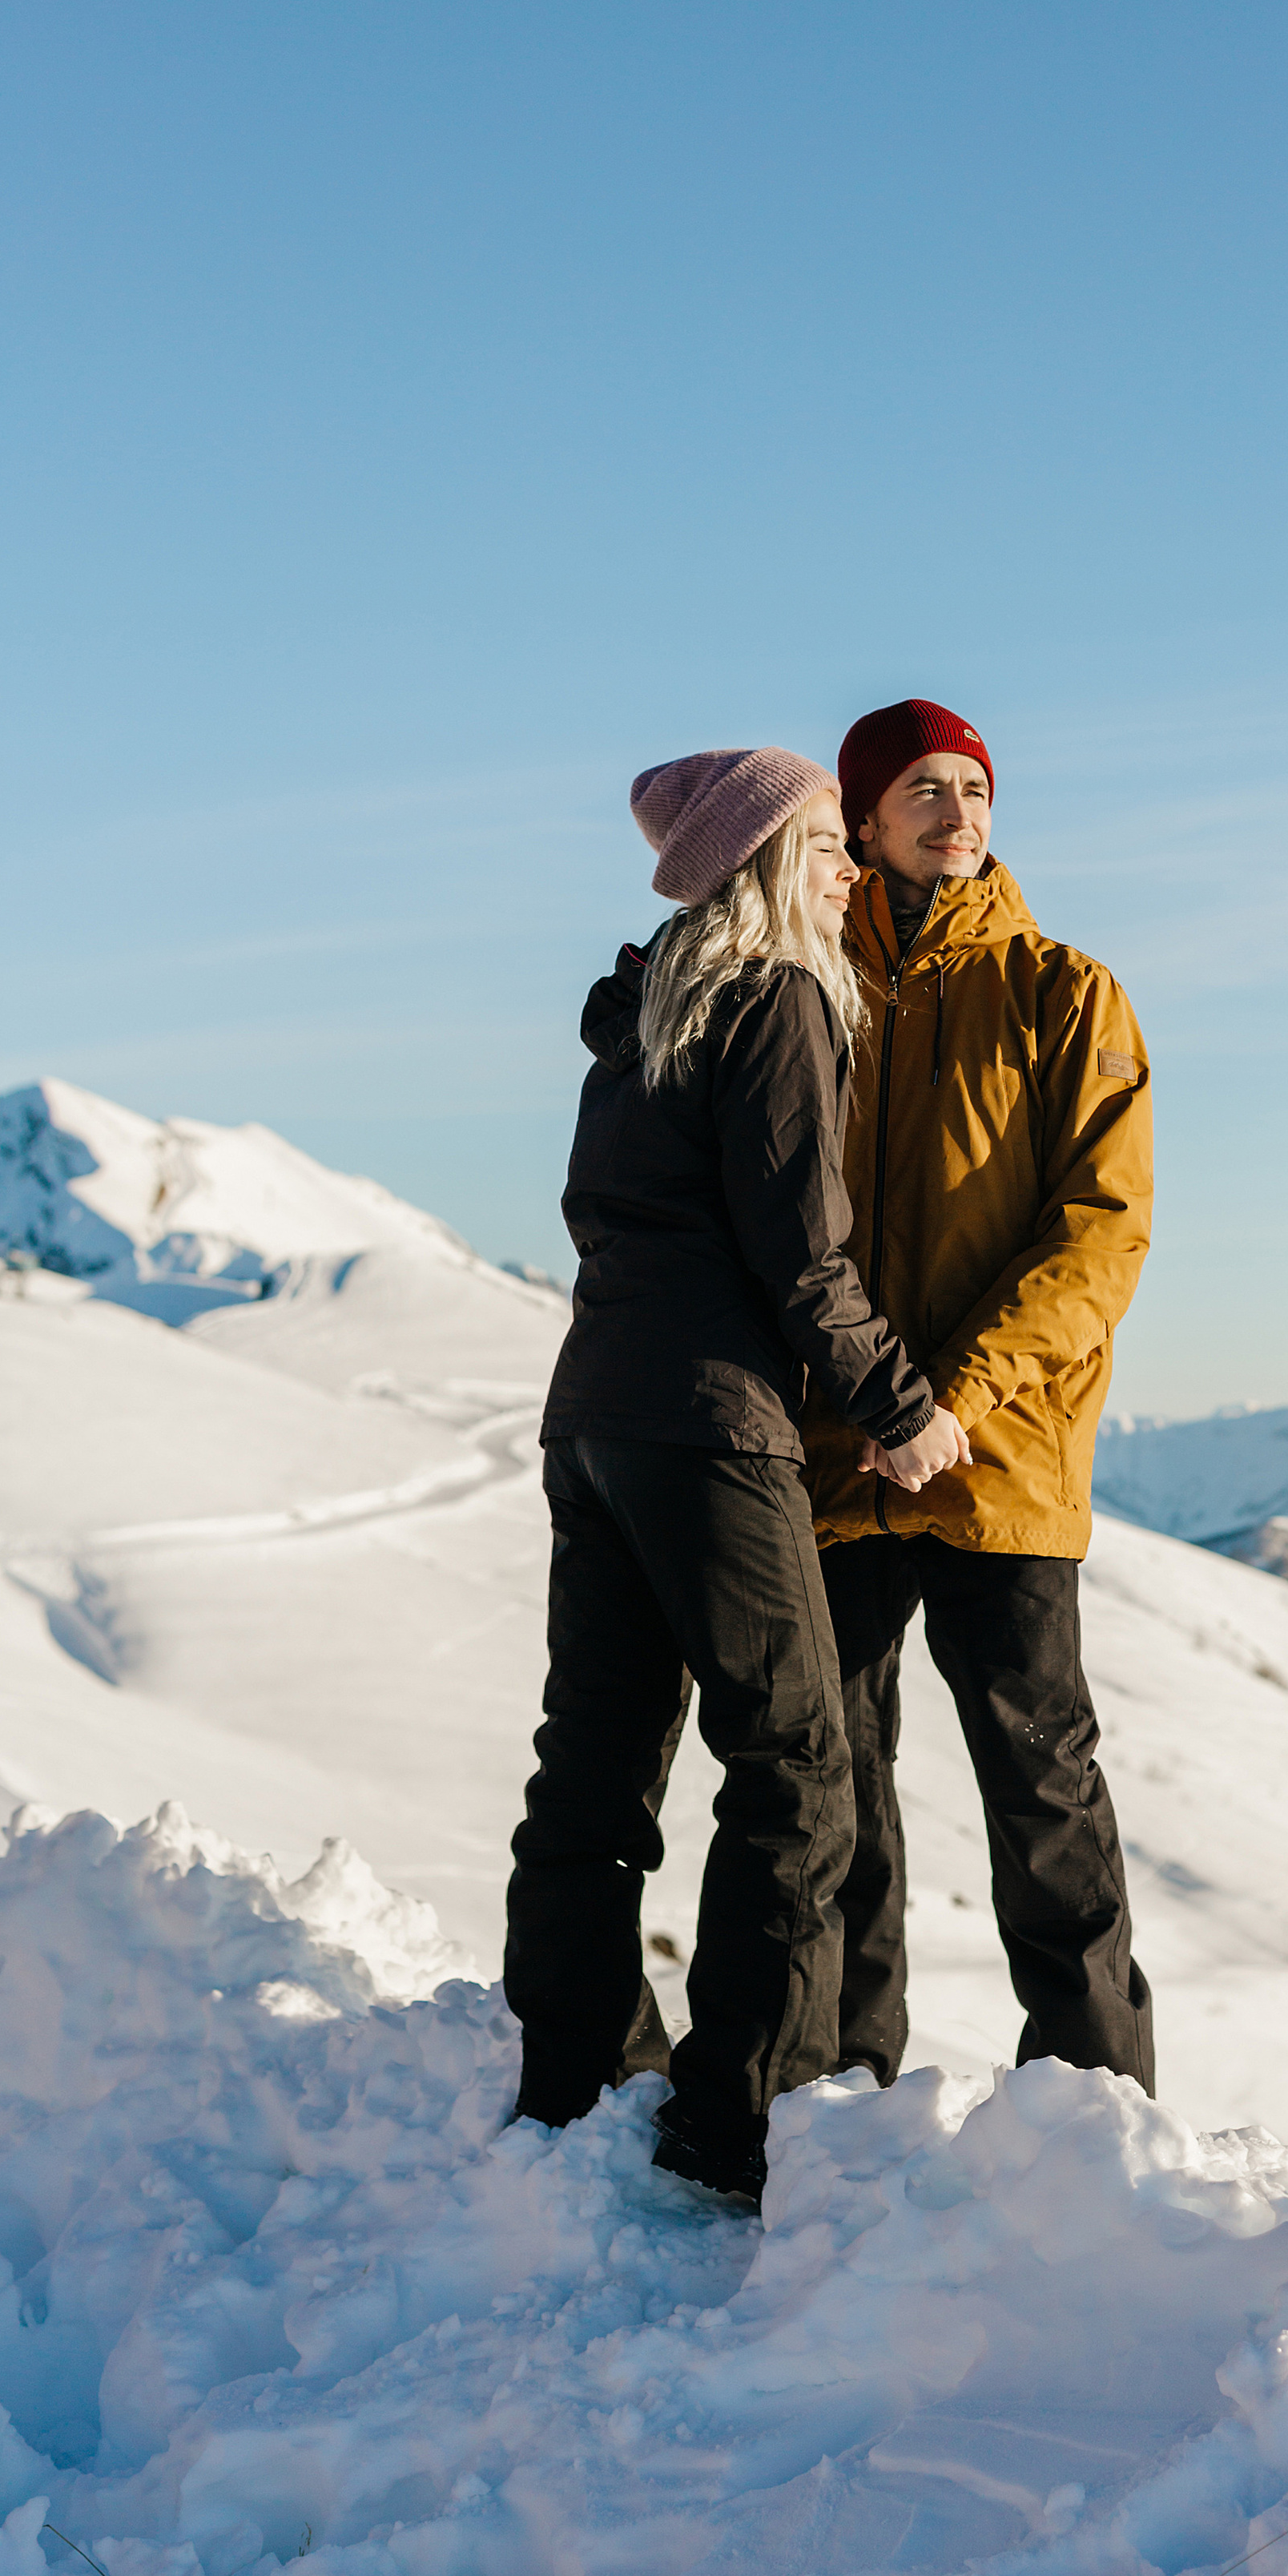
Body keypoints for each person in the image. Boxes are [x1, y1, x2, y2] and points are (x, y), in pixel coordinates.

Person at [505, 746, 968, 2203]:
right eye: (826, 842)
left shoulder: (647, 1014)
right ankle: (738, 2117)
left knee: (595, 1761)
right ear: (763, 863)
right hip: (712, 1430)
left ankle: (573, 2078)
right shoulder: (781, 996)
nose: (849, 865)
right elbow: (798, 1245)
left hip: (593, 1418)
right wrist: (898, 1405)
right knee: (799, 1768)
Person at [801, 698, 1157, 2094]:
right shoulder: (807, 984)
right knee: (832, 1793)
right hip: (837, 1455)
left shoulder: (1066, 991)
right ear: (864, 820)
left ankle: (1096, 2116)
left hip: (999, 1455)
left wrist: (953, 1397)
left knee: (1044, 1795)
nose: (959, 814)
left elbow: (1101, 1235)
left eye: (975, 789)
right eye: (925, 791)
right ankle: (840, 2096)